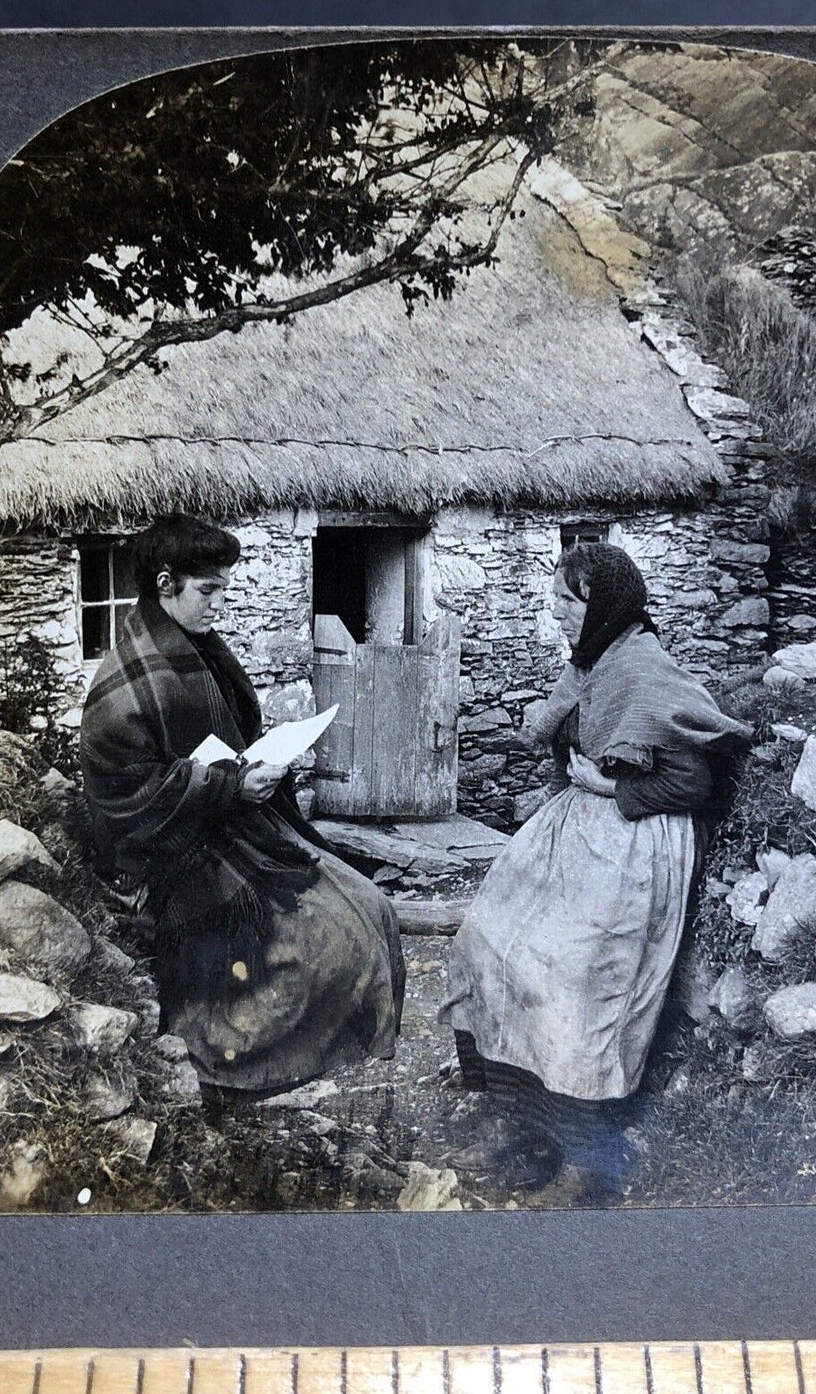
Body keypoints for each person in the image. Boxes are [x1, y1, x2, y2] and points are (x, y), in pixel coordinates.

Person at [439, 541, 750, 1202]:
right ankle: (529, 1120)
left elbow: (692, 781)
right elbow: (574, 733)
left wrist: (610, 790)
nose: (552, 612)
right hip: (581, 827)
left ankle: (587, 1150)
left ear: (601, 606)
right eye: (552, 597)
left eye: (563, 601)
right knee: (488, 941)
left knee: (574, 980)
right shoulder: (595, 662)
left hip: (633, 840)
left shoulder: (642, 671)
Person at [80, 513, 405, 1103]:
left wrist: (256, 767)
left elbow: (221, 743)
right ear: (163, 585)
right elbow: (126, 798)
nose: (221, 605)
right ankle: (239, 1074)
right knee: (325, 942)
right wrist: (230, 788)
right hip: (168, 857)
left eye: (225, 588)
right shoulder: (126, 684)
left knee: (372, 906)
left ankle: (306, 1060)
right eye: (208, 590)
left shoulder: (196, 652)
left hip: (227, 827)